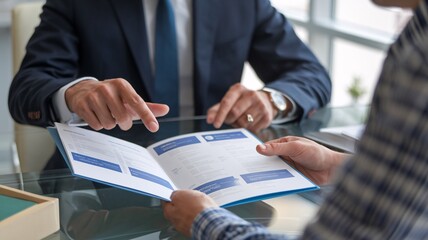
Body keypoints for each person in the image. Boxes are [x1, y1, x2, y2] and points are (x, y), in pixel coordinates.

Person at [162, 0, 428, 238]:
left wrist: (204, 222)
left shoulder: (419, 55)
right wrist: (335, 164)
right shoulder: (417, 33)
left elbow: (310, 73)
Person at [8, 0, 331, 134]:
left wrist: (272, 100)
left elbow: (311, 75)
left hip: (215, 167)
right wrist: (75, 93)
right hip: (103, 179)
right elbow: (26, 90)